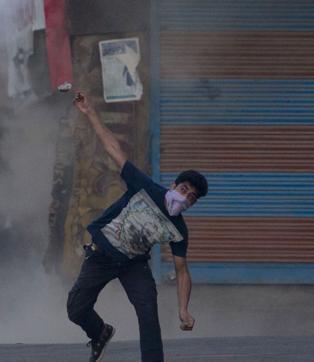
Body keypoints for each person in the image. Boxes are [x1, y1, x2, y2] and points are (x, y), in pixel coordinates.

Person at [67, 91, 208, 361]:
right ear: (173, 186)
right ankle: (99, 333)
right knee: (76, 309)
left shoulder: (178, 229)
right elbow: (113, 149)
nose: (185, 198)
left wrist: (184, 310)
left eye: (191, 198)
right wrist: (90, 113)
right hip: (101, 254)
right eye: (184, 189)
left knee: (148, 314)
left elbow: (181, 271)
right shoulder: (146, 186)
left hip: (134, 264)